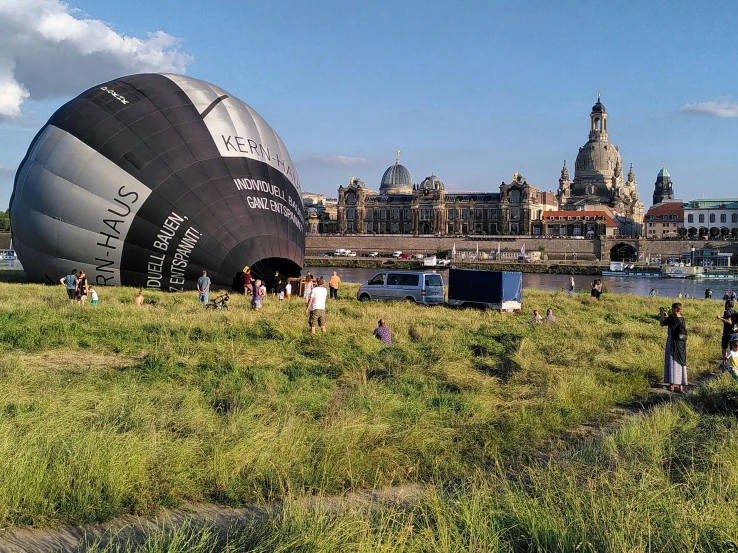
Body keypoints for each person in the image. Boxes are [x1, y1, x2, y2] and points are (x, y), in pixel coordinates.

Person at [660, 303, 688, 393]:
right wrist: (667, 316)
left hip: (672, 342)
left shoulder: (672, 317)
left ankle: (671, 386)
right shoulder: (682, 318)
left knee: (672, 361)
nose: (671, 309)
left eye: (672, 308)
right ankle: (681, 386)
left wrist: (662, 315)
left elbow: (662, 323)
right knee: (681, 361)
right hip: (681, 343)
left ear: (675, 309)